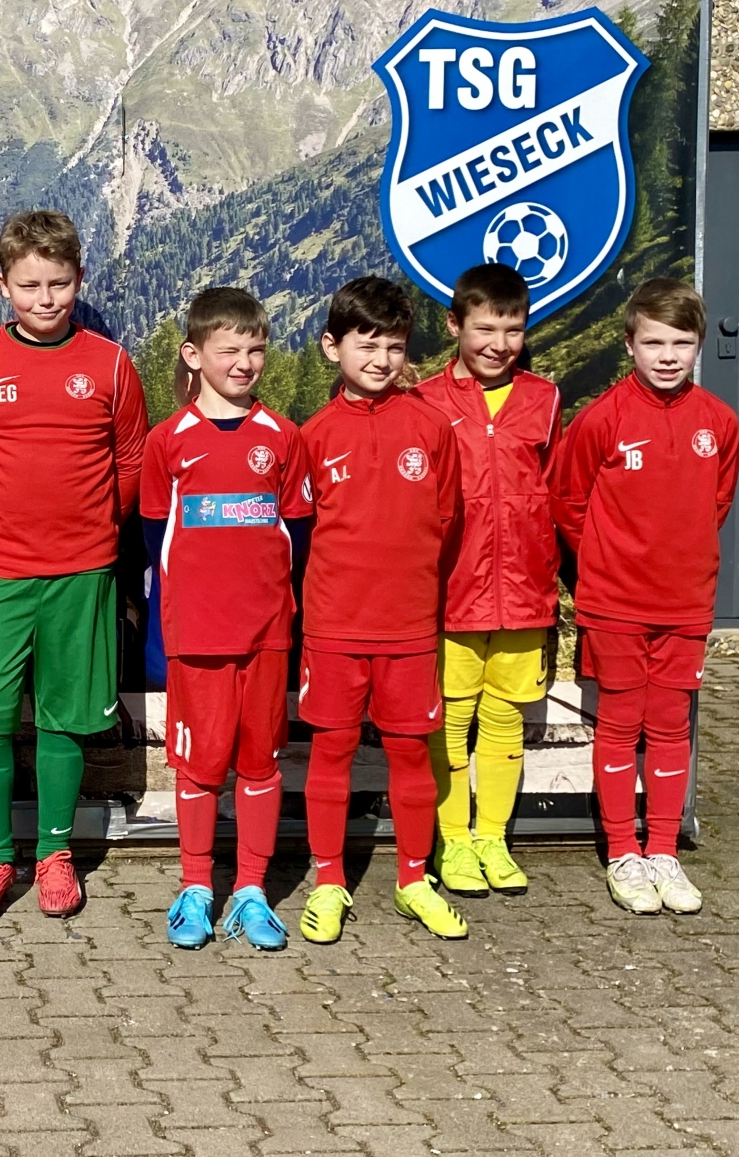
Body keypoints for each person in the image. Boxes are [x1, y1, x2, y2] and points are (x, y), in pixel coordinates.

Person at [0, 210, 146, 925]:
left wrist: (92, 528)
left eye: (58, 283)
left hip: (82, 571)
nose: (46, 298)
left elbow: (130, 462)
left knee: (64, 718)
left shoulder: (111, 364)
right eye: (29, 285)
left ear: (78, 279)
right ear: (4, 285)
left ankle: (55, 851)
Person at [551, 278, 739, 915]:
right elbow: (568, 503)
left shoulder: (720, 422)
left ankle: (663, 850)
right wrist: (610, 561)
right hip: (615, 603)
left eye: (681, 343)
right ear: (629, 343)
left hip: (685, 602)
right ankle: (623, 853)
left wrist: (679, 558)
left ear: (699, 346)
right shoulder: (601, 419)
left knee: (670, 724)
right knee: (620, 722)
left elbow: (716, 504)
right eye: (654, 342)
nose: (667, 356)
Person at [296, 276, 466, 944]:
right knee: (332, 751)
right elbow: (302, 532)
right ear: (331, 346)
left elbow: (445, 521)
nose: (381, 359)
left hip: (409, 626)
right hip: (334, 625)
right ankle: (329, 880)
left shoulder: (431, 427)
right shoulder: (312, 435)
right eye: (366, 345)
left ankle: (414, 880)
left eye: (395, 346)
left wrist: (412, 589)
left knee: (411, 754)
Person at [142, 287, 309, 950]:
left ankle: (251, 890)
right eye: (229, 350)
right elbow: (156, 536)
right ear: (193, 355)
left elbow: (296, 532)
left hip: (266, 632)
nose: (244, 363)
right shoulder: (168, 441)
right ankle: (195, 887)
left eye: (255, 349)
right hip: (199, 634)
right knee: (201, 766)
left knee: (260, 763)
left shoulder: (283, 436)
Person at [411, 264, 561, 899]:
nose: (500, 344)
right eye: (485, 329)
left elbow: (555, 490)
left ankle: (492, 837)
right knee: (450, 720)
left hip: (524, 591)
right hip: (453, 589)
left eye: (513, 330)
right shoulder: (426, 401)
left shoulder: (544, 399)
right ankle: (452, 839)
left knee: (504, 718)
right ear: (454, 326)